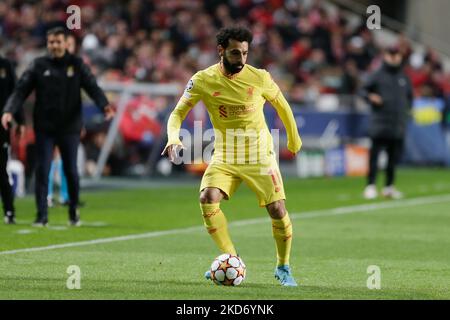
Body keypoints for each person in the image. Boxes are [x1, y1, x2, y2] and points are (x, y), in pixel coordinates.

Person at [162, 27, 302, 286]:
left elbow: (282, 104)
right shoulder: (203, 80)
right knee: (207, 197)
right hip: (226, 155)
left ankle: (283, 266)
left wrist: (294, 137)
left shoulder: (259, 77)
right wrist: (174, 137)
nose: (241, 59)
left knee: (277, 208)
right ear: (221, 51)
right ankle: (230, 257)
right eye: (236, 53)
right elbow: (177, 113)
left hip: (259, 155)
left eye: (245, 53)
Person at [1, 27, 115, 226]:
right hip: (45, 127)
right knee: (42, 169)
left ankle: (73, 210)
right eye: (51, 42)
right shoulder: (38, 65)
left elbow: (92, 86)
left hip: (69, 127)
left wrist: (104, 105)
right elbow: (21, 91)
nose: (54, 45)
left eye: (57, 42)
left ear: (65, 43)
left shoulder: (77, 64)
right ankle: (41, 215)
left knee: (71, 170)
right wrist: (9, 110)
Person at [360, 45, 413, 199]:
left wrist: (405, 112)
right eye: (392, 54)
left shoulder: (403, 77)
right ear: (385, 56)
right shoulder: (377, 75)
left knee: (393, 158)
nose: (395, 57)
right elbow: (362, 90)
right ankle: (370, 186)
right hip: (380, 123)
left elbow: (410, 98)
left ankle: (389, 186)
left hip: (397, 124)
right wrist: (371, 97)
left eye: (397, 54)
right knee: (374, 156)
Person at [0, 55, 24, 224]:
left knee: (1, 170)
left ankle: (9, 211)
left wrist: (20, 120)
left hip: (1, 127)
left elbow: (15, 94)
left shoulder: (5, 65)